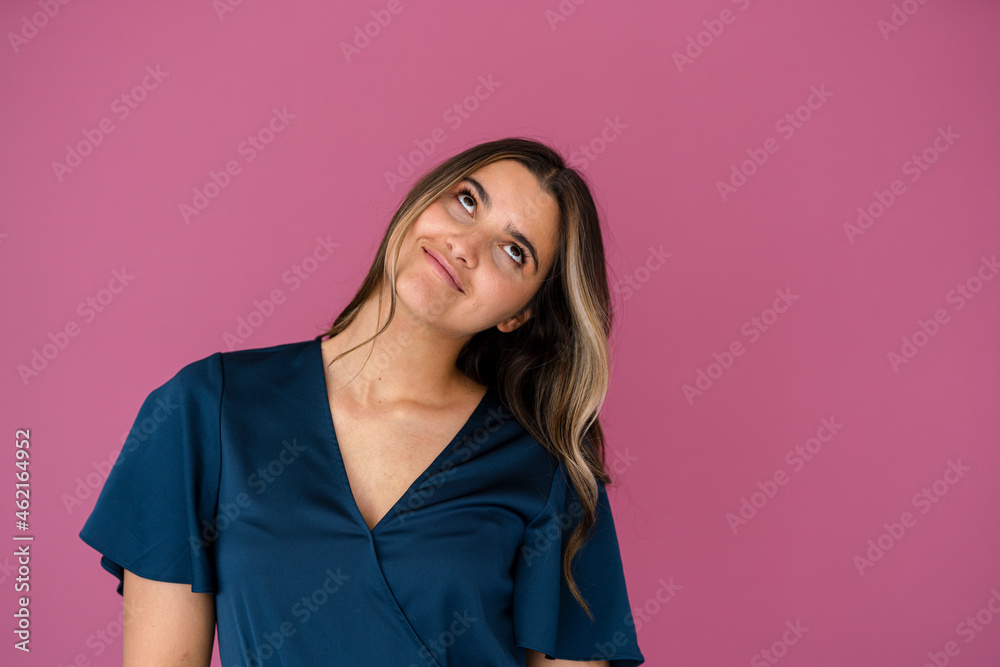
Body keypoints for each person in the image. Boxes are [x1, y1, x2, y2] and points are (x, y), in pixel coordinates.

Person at [79, 137, 645, 666]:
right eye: (467, 201)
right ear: (422, 201)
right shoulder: (205, 410)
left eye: (513, 251)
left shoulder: (548, 471)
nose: (465, 246)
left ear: (519, 314)